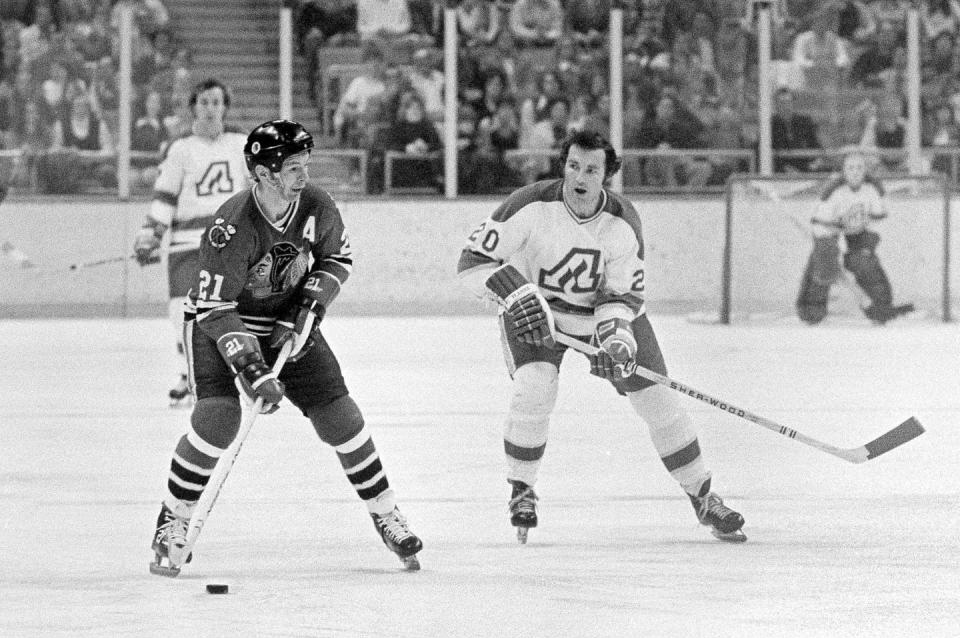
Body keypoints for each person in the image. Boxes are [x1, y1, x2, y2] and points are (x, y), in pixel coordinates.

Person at [149, 119, 423, 576]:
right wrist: (253, 371)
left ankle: (385, 510)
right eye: (293, 167)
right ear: (262, 173)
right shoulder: (230, 227)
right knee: (218, 421)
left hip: (286, 323)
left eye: (305, 165)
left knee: (341, 417)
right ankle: (172, 518)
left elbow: (338, 258)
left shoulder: (317, 204)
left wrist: (307, 311)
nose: (304, 176)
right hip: (220, 325)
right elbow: (216, 309)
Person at [456, 130, 747, 544]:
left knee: (659, 402)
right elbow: (472, 261)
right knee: (534, 387)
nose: (580, 175)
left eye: (592, 169)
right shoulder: (531, 204)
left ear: (607, 174)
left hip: (604, 319)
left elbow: (621, 296)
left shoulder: (622, 222)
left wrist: (616, 342)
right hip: (537, 314)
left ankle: (703, 496)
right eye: (573, 165)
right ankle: (521, 489)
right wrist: (515, 294)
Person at [133, 78, 249, 406]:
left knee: (227, 311)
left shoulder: (241, 144)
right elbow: (164, 198)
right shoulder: (180, 149)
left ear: (225, 106)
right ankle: (188, 374)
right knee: (180, 312)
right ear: (193, 107)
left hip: (229, 244)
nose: (210, 108)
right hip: (186, 244)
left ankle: (231, 373)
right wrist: (150, 236)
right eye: (204, 102)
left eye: (216, 102)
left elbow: (257, 195)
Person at [796, 149, 914, 324]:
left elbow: (876, 221)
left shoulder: (873, 189)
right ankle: (811, 311)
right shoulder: (833, 192)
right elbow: (820, 225)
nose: (855, 172)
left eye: (859, 167)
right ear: (843, 171)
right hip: (828, 228)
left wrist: (866, 246)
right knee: (824, 264)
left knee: (863, 261)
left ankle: (880, 306)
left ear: (865, 170)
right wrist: (827, 250)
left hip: (859, 229)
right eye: (850, 168)